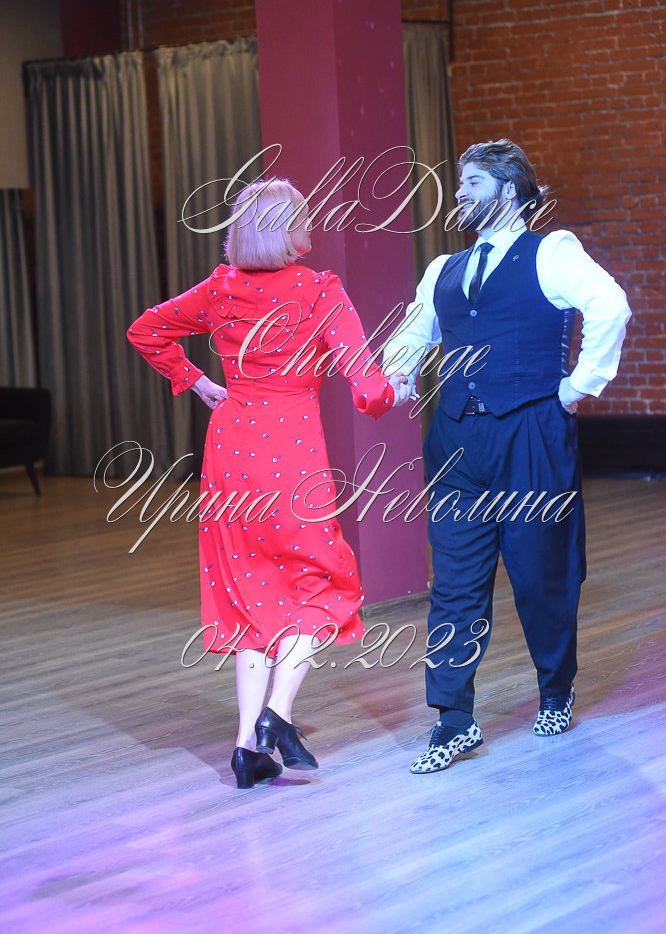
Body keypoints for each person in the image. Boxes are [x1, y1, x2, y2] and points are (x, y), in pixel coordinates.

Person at [128, 179, 406, 788]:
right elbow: (368, 388)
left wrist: (197, 382)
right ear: (289, 229)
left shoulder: (220, 288)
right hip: (292, 448)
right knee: (323, 584)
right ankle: (277, 716)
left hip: (231, 447)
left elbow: (146, 330)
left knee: (250, 592)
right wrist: (396, 390)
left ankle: (245, 747)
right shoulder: (320, 290)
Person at [383, 139, 631, 774]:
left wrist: (577, 387)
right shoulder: (443, 267)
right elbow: (415, 328)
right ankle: (454, 719)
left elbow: (611, 306)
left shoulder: (552, 251)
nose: (459, 193)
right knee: (454, 584)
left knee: (540, 573)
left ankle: (556, 689)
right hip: (456, 442)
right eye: (459, 183)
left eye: (472, 182)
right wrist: (398, 369)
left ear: (510, 192)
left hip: (530, 435)